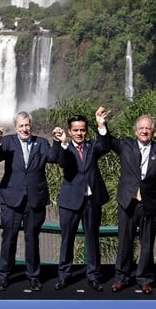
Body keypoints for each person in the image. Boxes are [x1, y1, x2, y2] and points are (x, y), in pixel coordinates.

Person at [97, 107, 156, 294]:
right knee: (125, 242)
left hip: (151, 203)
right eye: (141, 128)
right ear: (135, 130)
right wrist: (101, 124)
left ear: (153, 131)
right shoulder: (126, 145)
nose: (144, 131)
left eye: (148, 128)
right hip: (127, 202)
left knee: (147, 243)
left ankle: (144, 279)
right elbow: (107, 142)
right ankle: (121, 278)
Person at [0, 111, 58, 292]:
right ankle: (4, 276)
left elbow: (54, 158)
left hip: (35, 199)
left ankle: (33, 276)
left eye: (27, 125)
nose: (25, 129)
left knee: (32, 239)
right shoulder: (8, 141)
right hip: (11, 199)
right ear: (15, 127)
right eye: (21, 126)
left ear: (31, 126)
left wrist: (58, 141)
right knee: (8, 239)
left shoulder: (42, 142)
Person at [52, 114, 109, 292]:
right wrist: (62, 143)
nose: (79, 133)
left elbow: (106, 146)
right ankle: (64, 276)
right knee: (67, 239)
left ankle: (93, 275)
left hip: (91, 200)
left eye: (82, 130)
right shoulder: (65, 147)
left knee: (92, 239)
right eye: (75, 130)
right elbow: (62, 161)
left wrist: (101, 125)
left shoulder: (93, 146)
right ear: (69, 131)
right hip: (70, 201)